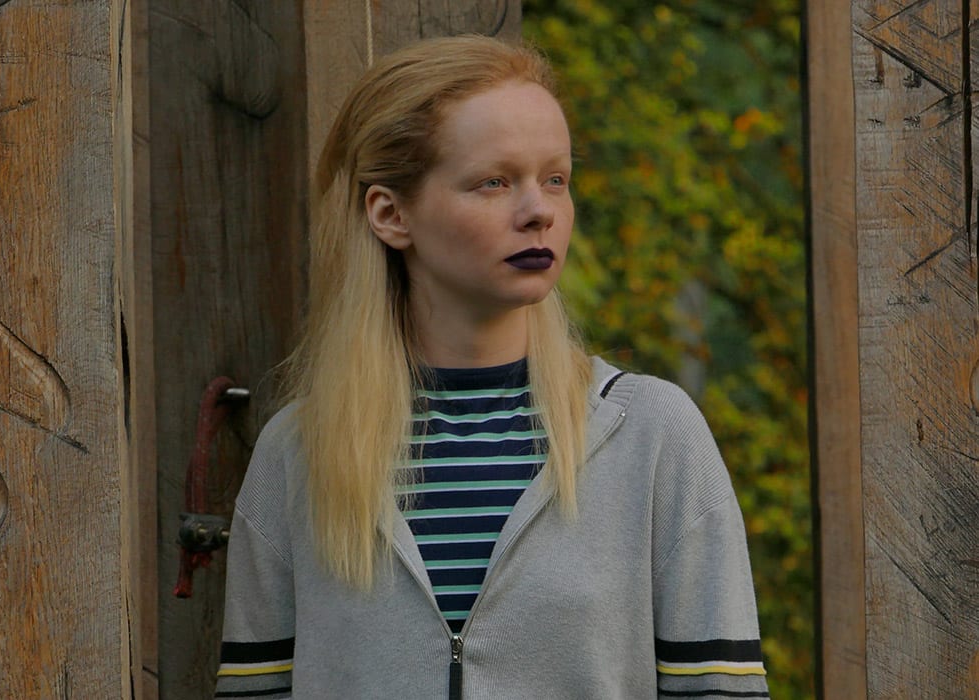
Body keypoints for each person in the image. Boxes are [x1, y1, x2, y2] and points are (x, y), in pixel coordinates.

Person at [215, 35, 768, 700]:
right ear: (391, 214)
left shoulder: (649, 434)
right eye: (494, 182)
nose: (539, 211)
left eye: (555, 179)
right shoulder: (298, 454)